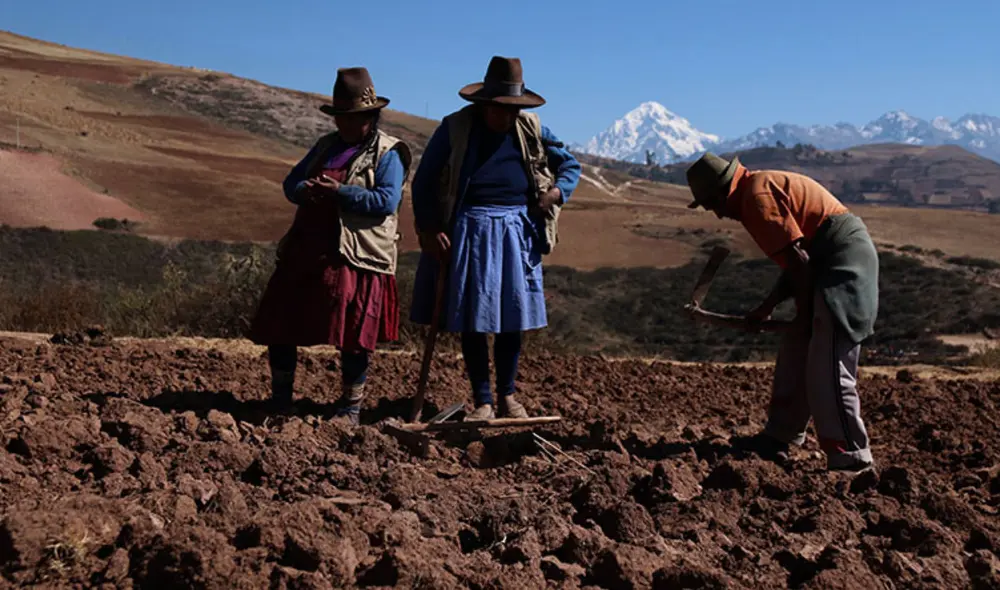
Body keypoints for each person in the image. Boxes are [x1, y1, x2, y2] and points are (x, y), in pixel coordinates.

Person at [409, 56, 581, 421]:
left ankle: (507, 396)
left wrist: (555, 193)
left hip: (518, 231)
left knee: (512, 319)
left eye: (513, 109)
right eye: (501, 109)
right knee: (475, 319)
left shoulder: (530, 127)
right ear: (484, 104)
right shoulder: (455, 129)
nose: (507, 117)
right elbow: (423, 183)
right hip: (470, 229)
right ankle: (483, 401)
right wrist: (429, 228)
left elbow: (570, 165)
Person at [685, 152, 878, 472]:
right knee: (796, 353)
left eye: (711, 205)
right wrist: (767, 307)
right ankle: (780, 437)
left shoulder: (756, 199)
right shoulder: (755, 190)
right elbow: (797, 262)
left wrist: (804, 316)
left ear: (723, 192)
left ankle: (852, 456)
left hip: (845, 262)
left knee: (827, 364)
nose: (717, 214)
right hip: (824, 261)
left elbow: (800, 263)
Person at [248, 67, 411, 424]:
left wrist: (341, 194)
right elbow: (292, 182)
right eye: (342, 118)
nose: (347, 126)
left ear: (371, 116)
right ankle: (280, 401)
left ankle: (350, 408)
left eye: (354, 118)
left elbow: (385, 201)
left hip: (356, 253)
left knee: (353, 335)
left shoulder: (389, 153)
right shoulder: (326, 146)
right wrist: (306, 190)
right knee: (281, 321)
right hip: (308, 246)